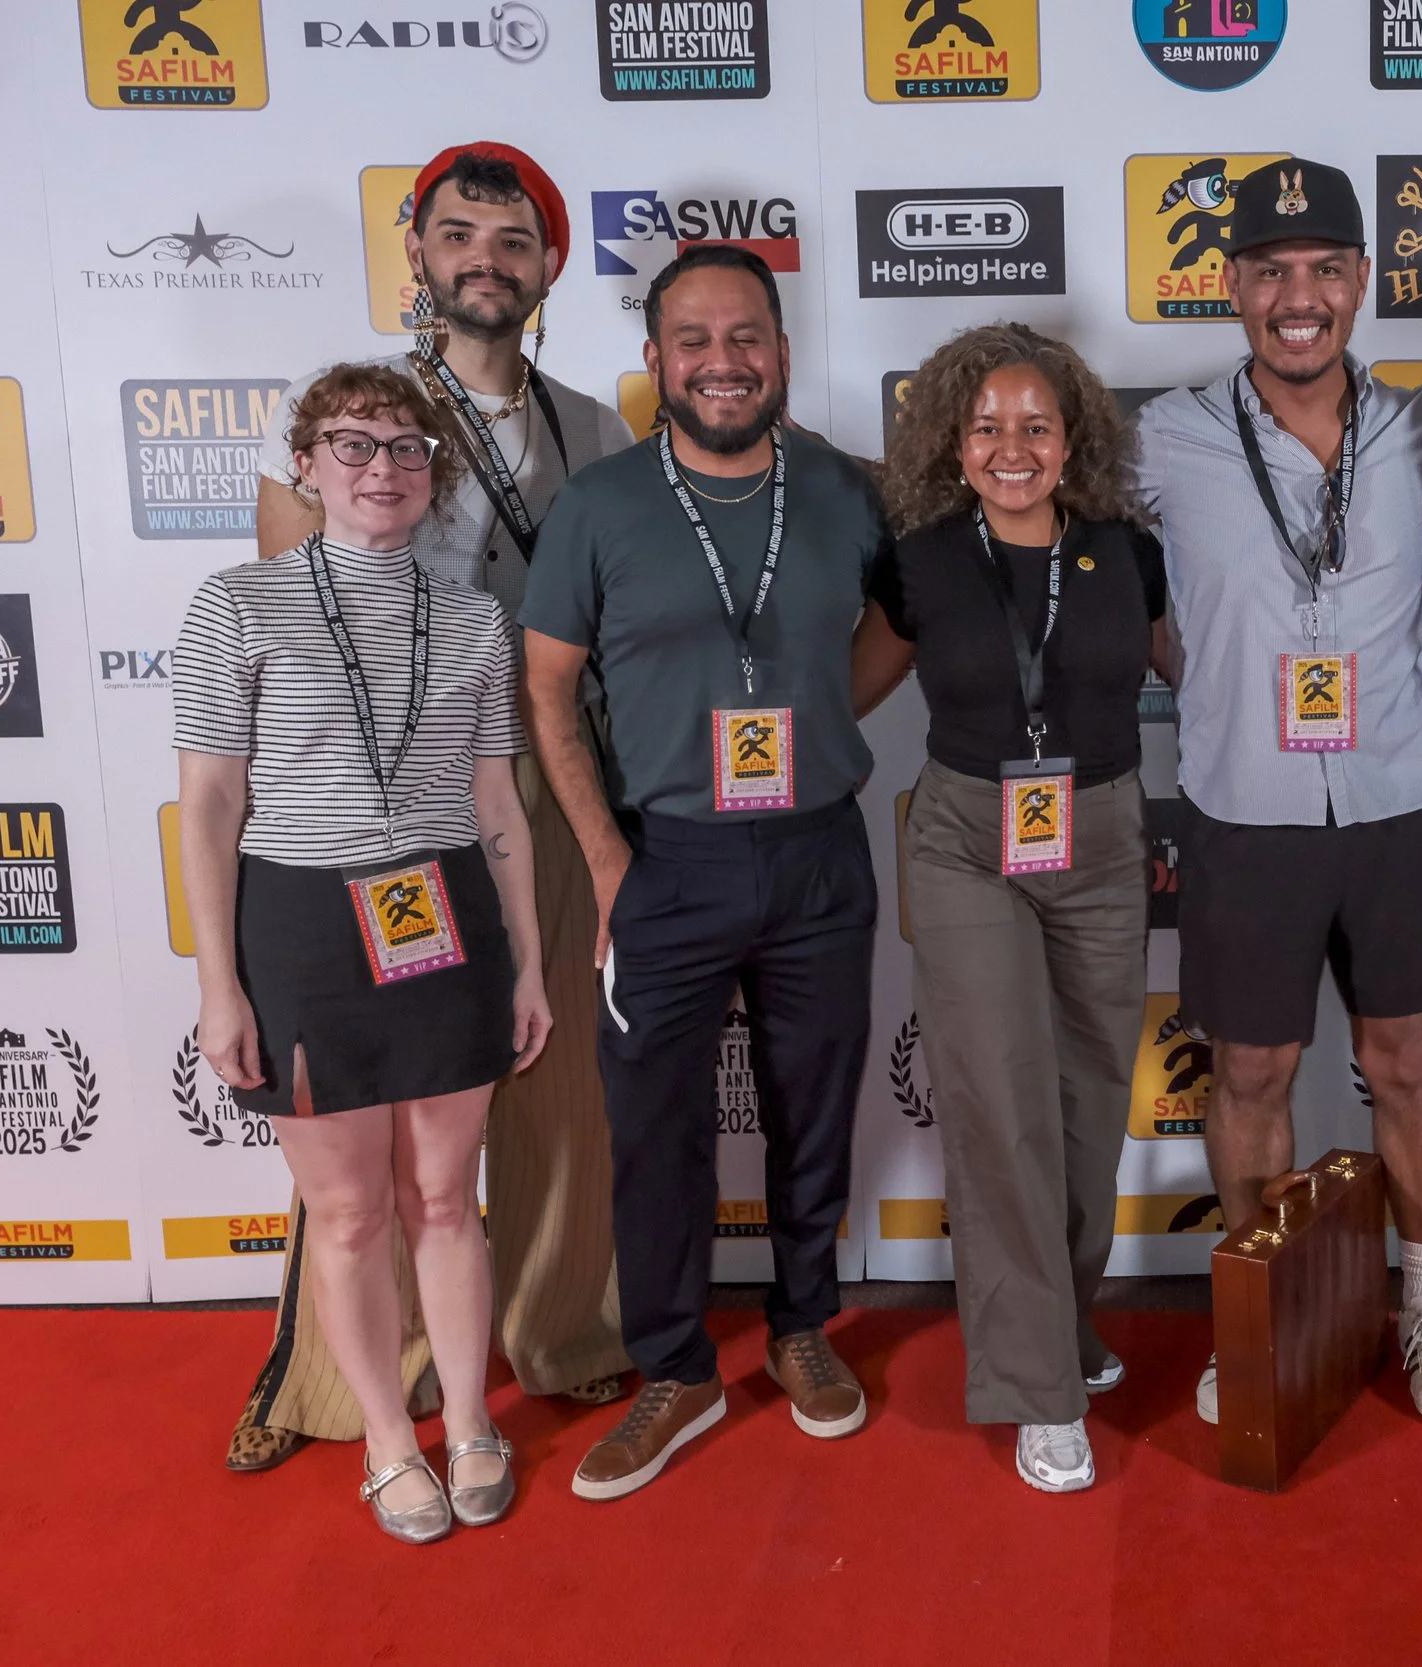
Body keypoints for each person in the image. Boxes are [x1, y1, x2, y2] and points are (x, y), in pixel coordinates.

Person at [229, 142, 639, 1474]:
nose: (485, 260)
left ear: (549, 263)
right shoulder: (350, 413)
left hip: (549, 774)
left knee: (554, 1067)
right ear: (417, 251)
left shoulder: (596, 427)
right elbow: (296, 619)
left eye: (514, 241)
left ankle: (562, 1330)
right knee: (364, 1101)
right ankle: (345, 1382)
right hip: (387, 802)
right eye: (459, 234)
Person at [521, 244, 890, 1499]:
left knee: (813, 1109)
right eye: (694, 339)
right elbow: (547, 686)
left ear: (781, 351)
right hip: (664, 857)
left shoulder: (842, 489)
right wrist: (607, 858)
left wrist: (821, 723)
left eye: (746, 338)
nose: (721, 362)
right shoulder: (600, 504)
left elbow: (900, 622)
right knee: (654, 1130)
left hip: (817, 852)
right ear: (655, 359)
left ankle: (801, 1323)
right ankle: (674, 1367)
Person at [176, 363, 552, 1542]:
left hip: (446, 915)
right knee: (346, 1213)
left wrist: (528, 963)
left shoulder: (476, 618)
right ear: (305, 464)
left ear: (433, 473)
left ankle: (471, 1420)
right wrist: (218, 984)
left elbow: (496, 803)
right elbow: (208, 805)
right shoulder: (236, 604)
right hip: (299, 924)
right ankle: (390, 1438)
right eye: (352, 444)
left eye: (405, 448)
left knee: (443, 1195)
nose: (381, 467)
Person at [1135, 157, 1422, 1429]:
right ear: (1230, 285)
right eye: (1272, 269)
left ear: (1361, 282)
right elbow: (1083, 563)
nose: (1300, 295)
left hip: (1393, 803)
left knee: (1409, 1061)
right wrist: (1207, 672)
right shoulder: (1161, 436)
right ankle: (1259, 1314)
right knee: (1251, 1071)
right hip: (1244, 807)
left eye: (1325, 268)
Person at [853, 324, 1168, 1494]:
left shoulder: (1128, 553)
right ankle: (1039, 1389)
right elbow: (842, 691)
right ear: (953, 441)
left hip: (1104, 831)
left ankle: (1061, 1320)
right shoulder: (920, 561)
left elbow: (1200, 668)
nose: (1012, 446)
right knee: (1001, 1106)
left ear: (1072, 437)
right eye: (986, 426)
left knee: (1088, 1103)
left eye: (1035, 424)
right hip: (966, 841)